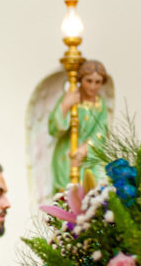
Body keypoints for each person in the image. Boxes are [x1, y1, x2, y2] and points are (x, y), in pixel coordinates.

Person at [48, 59, 112, 191]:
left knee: (92, 188)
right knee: (66, 191)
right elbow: (54, 129)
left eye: (97, 82)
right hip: (67, 154)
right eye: (89, 81)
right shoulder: (72, 97)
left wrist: (85, 149)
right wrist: (66, 104)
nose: (93, 86)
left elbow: (101, 132)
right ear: (81, 80)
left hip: (89, 154)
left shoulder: (101, 103)